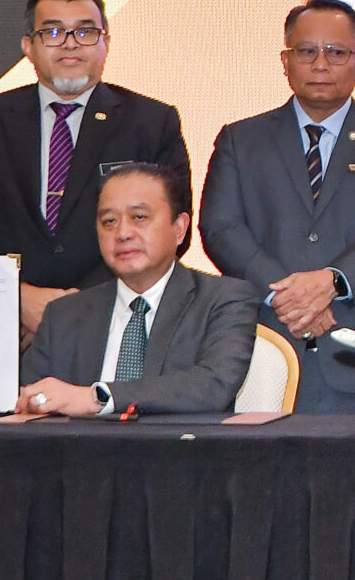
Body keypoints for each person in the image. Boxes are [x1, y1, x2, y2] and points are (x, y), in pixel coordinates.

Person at [200, 0, 355, 414]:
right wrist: (289, 297)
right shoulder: (240, 139)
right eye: (306, 51)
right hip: (263, 349)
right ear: (285, 61)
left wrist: (333, 282)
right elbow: (221, 229)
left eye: (336, 53)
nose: (320, 65)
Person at [0, 0, 188, 343]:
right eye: (52, 32)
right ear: (28, 46)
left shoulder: (152, 121)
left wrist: (78, 305)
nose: (70, 43)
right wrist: (18, 296)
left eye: (85, 32)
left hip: (111, 323)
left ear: (106, 43)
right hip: (2, 329)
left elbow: (172, 228)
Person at [16, 163, 258, 416]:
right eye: (109, 221)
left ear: (179, 228)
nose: (122, 233)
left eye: (139, 217)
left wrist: (98, 397)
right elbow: (29, 400)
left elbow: (213, 385)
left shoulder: (224, 300)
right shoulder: (63, 314)